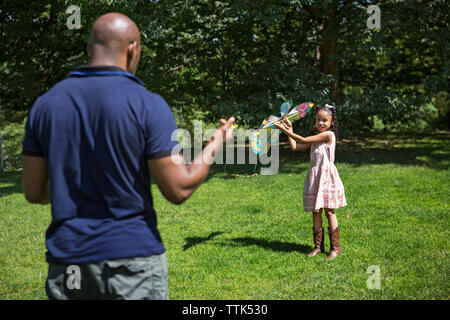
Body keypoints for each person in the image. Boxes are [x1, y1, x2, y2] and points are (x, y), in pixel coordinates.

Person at [21, 12, 235, 299]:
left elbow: (34, 191)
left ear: (88, 48)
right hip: (131, 262)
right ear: (133, 48)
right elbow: (178, 187)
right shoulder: (148, 105)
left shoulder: (44, 106)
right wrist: (216, 142)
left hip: (69, 264)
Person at [274, 104, 346, 259]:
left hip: (327, 178)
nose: (321, 123)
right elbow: (295, 146)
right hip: (315, 178)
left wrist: (284, 130)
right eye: (318, 120)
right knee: (316, 211)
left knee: (329, 211)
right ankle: (318, 247)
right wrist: (289, 130)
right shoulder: (315, 139)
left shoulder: (328, 136)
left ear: (331, 122)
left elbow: (302, 139)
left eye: (324, 120)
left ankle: (336, 248)